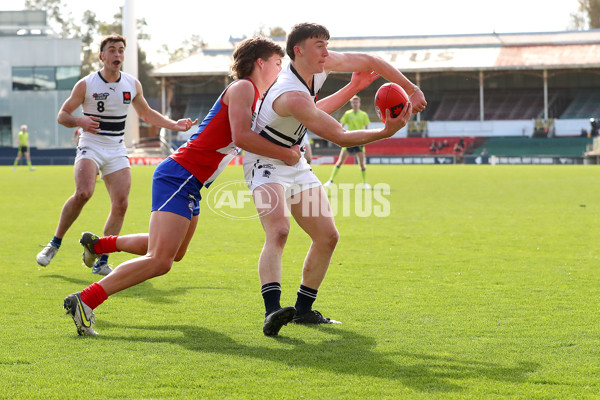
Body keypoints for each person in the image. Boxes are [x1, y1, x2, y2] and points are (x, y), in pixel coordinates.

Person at [61, 36, 309, 336]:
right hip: (180, 175)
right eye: (277, 62)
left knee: (172, 252)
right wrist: (287, 154)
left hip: (189, 181)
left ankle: (99, 245)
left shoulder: (255, 95)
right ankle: (84, 300)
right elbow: (242, 137)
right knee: (160, 260)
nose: (281, 67)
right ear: (260, 62)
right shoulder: (244, 87)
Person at [244, 23, 426, 336]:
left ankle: (302, 310)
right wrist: (385, 131)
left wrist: (411, 89)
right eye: (319, 45)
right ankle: (272, 311)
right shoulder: (290, 91)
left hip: (294, 159)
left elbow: (371, 61)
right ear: (298, 50)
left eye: (327, 44)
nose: (326, 52)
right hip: (265, 161)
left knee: (327, 236)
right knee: (279, 231)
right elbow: (339, 135)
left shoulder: (320, 65)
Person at [36, 34, 197, 274]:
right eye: (112, 50)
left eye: (121, 50)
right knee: (83, 193)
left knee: (121, 204)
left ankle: (101, 260)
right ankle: (54, 243)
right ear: (102, 56)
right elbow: (63, 115)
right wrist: (81, 120)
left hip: (116, 148)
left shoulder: (132, 84)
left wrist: (175, 124)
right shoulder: (87, 84)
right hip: (91, 144)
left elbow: (147, 113)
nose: (117, 55)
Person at [323, 95, 371, 189]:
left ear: (359, 103)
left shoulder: (364, 115)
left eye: (356, 102)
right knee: (340, 161)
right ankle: (330, 181)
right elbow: (341, 126)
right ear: (351, 104)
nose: (355, 104)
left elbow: (366, 128)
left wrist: (365, 140)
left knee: (361, 164)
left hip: (359, 141)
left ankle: (364, 183)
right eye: (353, 102)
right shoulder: (347, 114)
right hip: (349, 140)